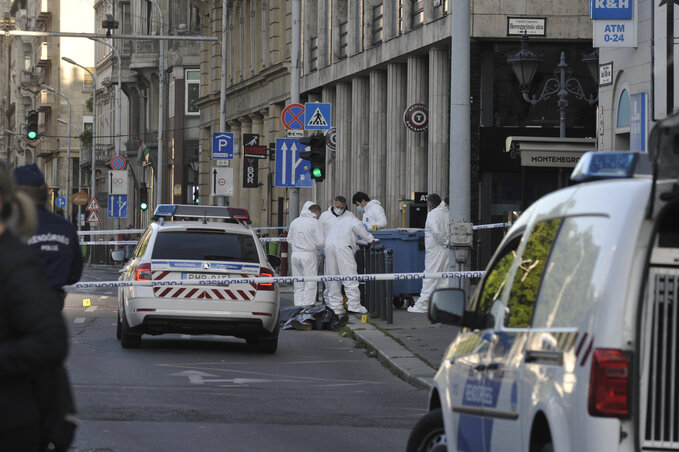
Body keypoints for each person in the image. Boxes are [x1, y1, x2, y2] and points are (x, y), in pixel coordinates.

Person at [0, 168, 76, 451]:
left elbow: (50, 343)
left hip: (10, 422)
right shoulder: (64, 228)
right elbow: (75, 272)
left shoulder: (15, 262)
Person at [13, 163, 83, 307]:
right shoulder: (65, 228)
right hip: (53, 306)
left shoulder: (13, 227)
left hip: (16, 307)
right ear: (44, 193)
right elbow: (74, 274)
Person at [324, 210, 377, 315]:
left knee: (333, 277)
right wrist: (371, 240)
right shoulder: (353, 219)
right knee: (349, 275)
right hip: (343, 247)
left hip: (329, 246)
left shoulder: (338, 223)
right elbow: (361, 230)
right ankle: (354, 305)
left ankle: (336, 306)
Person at [408, 193, 450, 313]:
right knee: (444, 278)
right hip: (446, 249)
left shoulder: (433, 214)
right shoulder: (446, 213)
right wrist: (446, 242)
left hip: (435, 250)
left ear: (431, 203)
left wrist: (443, 242)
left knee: (430, 276)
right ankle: (442, 305)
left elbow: (436, 232)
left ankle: (422, 306)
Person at [287, 201, 324, 307]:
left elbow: (289, 239)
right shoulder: (314, 222)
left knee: (298, 283)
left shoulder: (295, 221)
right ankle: (308, 307)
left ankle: (298, 306)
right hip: (309, 255)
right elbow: (320, 242)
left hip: (295, 255)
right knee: (310, 282)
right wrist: (319, 248)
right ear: (316, 212)